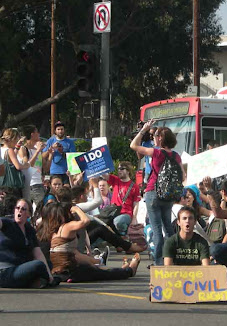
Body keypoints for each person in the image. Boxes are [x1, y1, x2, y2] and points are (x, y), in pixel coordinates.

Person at [41, 202, 141, 282]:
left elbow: (74, 254)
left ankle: (122, 270)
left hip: (59, 272)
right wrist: (76, 209)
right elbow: (85, 221)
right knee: (104, 274)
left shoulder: (54, 231)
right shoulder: (66, 227)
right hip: (70, 271)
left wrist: (96, 262)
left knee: (95, 269)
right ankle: (129, 271)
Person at [130, 121, 184, 266]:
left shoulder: (156, 152)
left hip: (153, 192)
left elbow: (133, 146)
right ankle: (173, 258)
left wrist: (143, 130)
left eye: (155, 135)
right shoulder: (176, 156)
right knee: (168, 227)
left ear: (160, 138)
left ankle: (159, 262)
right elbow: (182, 175)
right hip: (168, 195)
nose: (153, 137)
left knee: (156, 229)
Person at [0, 199, 55, 288]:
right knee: (38, 265)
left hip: (19, 268)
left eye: (23, 209)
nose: (19, 210)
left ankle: (40, 281)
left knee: (47, 264)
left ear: (29, 214)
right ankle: (40, 281)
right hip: (5, 271)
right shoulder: (7, 223)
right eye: (17, 208)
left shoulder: (29, 230)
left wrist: (49, 274)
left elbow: (38, 253)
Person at [104, 161, 140, 236]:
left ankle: (124, 236)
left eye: (121, 168)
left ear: (128, 171)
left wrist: (134, 219)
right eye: (118, 169)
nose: (119, 171)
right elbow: (104, 175)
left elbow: (136, 204)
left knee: (118, 222)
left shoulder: (134, 186)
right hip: (113, 213)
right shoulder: (115, 180)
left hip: (126, 214)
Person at [18, 125, 47, 205]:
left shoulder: (37, 149)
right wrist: (37, 152)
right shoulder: (23, 149)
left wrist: (50, 154)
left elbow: (46, 167)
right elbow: (28, 166)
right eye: (37, 132)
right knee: (42, 209)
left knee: (38, 209)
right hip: (31, 184)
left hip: (40, 183)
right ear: (32, 134)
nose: (39, 134)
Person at [0, 128, 30, 197]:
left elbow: (9, 160)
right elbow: (18, 166)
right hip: (12, 185)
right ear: (12, 139)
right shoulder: (10, 150)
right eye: (17, 139)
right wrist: (27, 165)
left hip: (2, 184)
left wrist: (17, 147)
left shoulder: (2, 149)